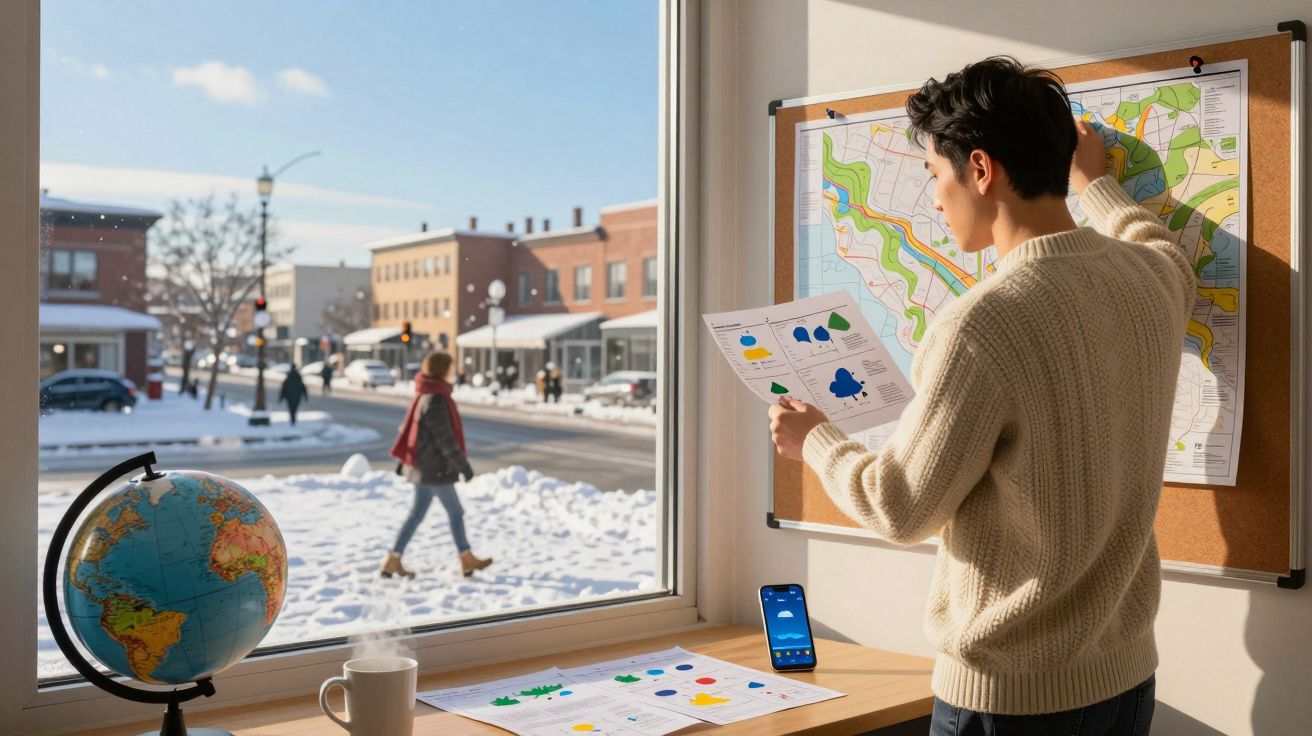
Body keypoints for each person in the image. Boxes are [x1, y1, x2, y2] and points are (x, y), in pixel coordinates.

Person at [768, 57, 1192, 733]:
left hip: (1009, 700)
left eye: (936, 173)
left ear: (982, 170)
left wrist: (814, 440)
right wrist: (1096, 185)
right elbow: (1158, 244)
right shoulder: (1151, 282)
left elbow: (901, 507)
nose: (935, 199)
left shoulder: (982, 323)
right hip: (1126, 680)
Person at [383, 351, 493, 579]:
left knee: (416, 515)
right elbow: (444, 439)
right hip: (435, 470)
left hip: (424, 468)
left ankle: (393, 560)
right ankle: (466, 559)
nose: (454, 371)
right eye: (450, 367)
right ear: (443, 370)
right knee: (456, 512)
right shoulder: (435, 398)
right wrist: (463, 466)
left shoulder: (427, 393)